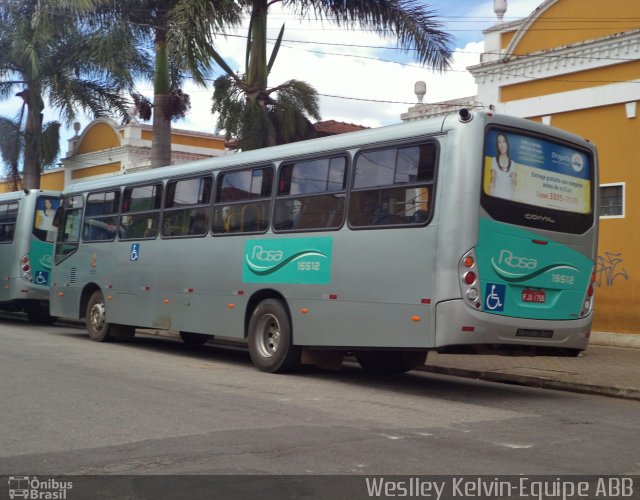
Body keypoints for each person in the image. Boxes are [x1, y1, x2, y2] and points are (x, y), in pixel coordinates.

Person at [488, 133, 517, 200]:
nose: (502, 145)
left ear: (507, 144)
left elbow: (514, 185)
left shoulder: (512, 164)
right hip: (496, 198)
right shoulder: (494, 160)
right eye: (499, 142)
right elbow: (492, 181)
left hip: (508, 200)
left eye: (504, 141)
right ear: (497, 145)